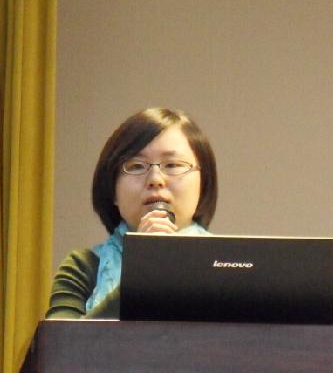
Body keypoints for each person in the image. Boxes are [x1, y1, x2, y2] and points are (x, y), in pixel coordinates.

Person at [46, 108, 218, 319]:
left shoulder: (232, 264)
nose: (155, 179)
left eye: (172, 165)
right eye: (136, 166)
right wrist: (141, 270)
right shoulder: (83, 267)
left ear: (203, 183)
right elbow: (62, 340)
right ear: (112, 190)